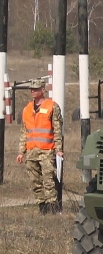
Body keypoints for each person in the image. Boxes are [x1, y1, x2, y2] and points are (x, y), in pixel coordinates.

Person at [15, 79, 64, 214]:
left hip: (46, 151)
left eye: (36, 89)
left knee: (48, 181)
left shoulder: (52, 107)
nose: (33, 91)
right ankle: (42, 208)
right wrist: (21, 152)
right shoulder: (27, 109)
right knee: (35, 182)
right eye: (31, 89)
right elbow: (24, 132)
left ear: (43, 90)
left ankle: (53, 208)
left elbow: (57, 129)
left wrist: (58, 149)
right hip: (31, 152)